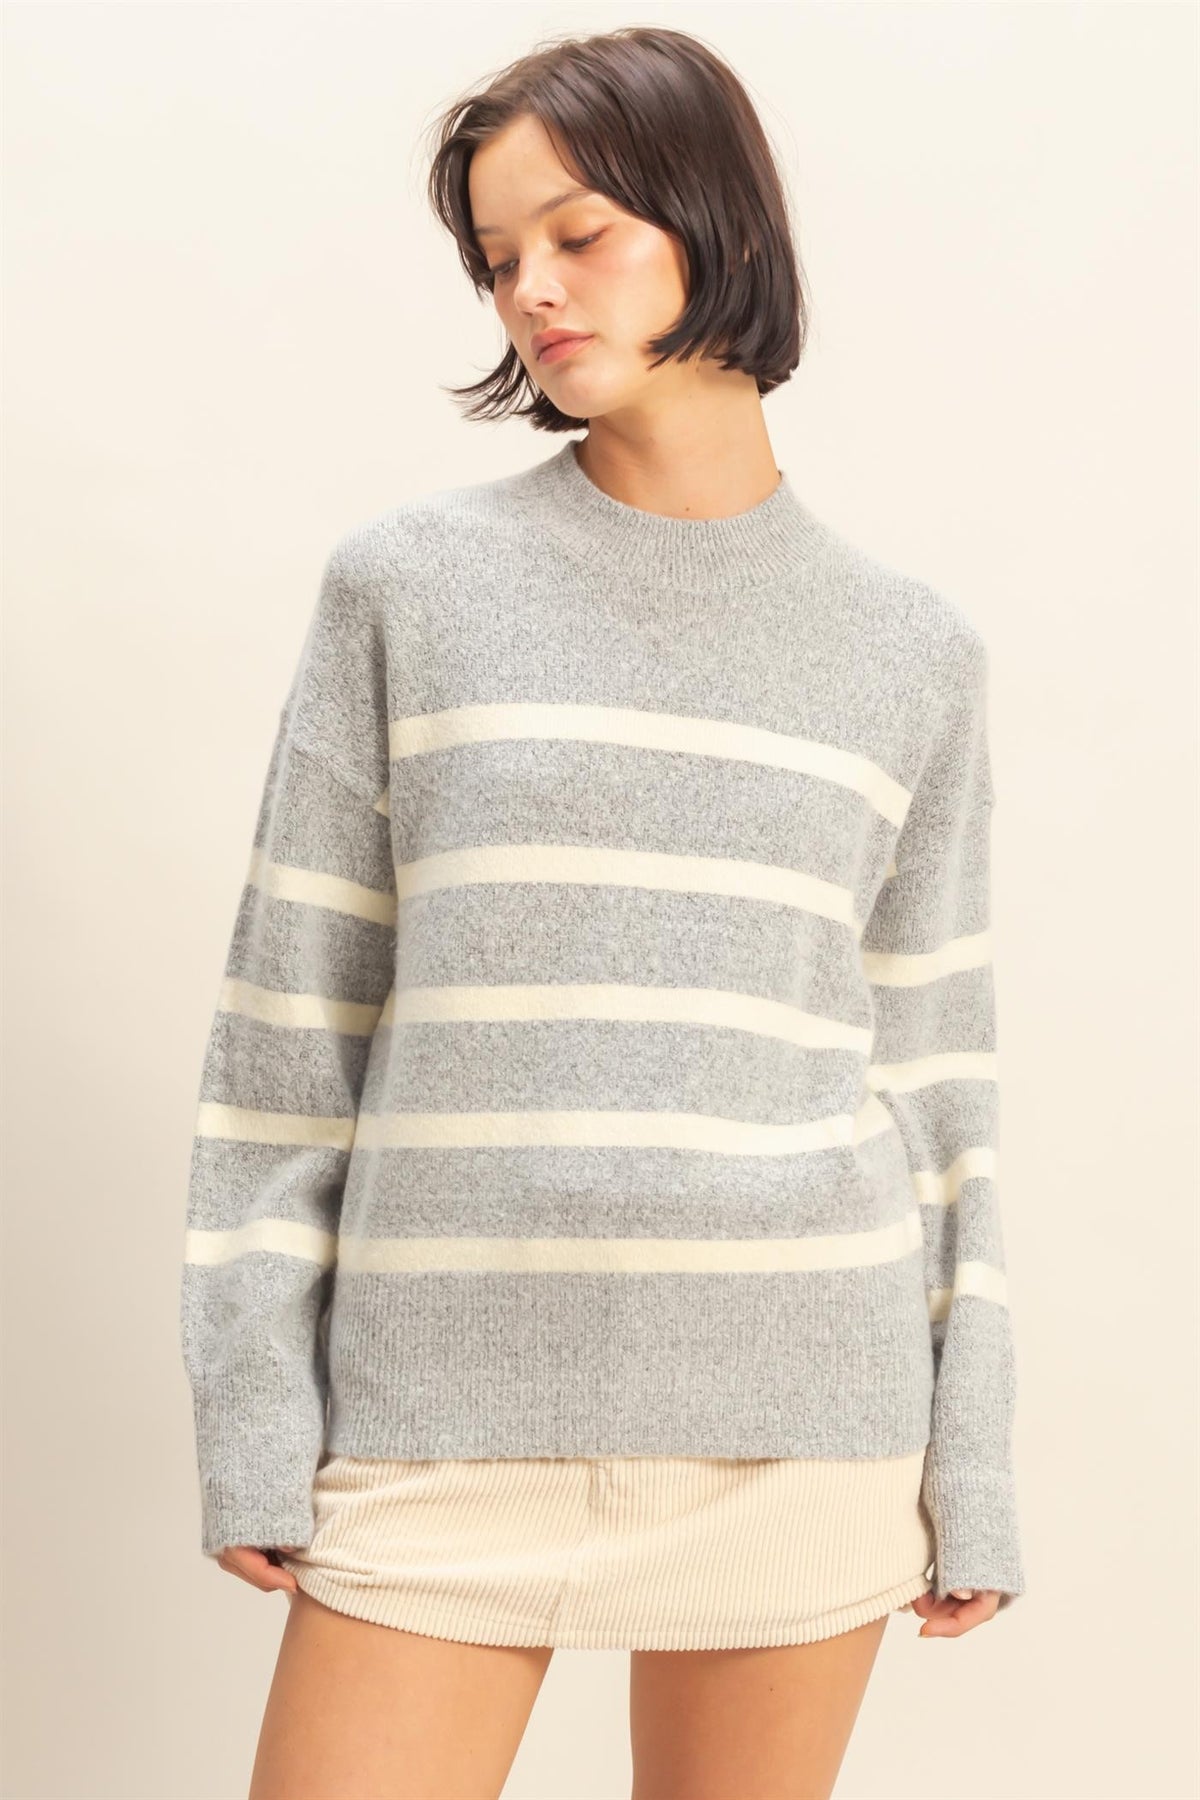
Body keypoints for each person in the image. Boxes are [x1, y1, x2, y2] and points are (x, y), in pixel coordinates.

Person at [180, 25, 1024, 1800]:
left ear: (718, 220)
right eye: (499, 261)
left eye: (578, 236)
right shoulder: (410, 587)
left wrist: (976, 1458)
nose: (534, 295)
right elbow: (289, 1039)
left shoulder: (912, 652)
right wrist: (256, 1408)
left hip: (802, 1421)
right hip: (442, 1416)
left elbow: (937, 1080)